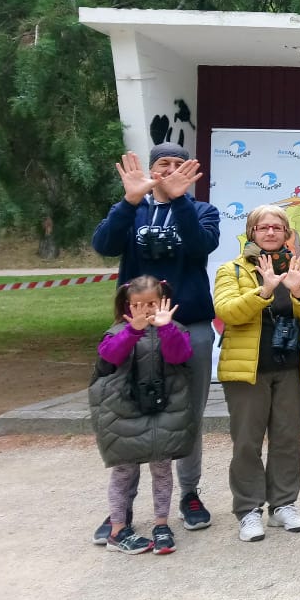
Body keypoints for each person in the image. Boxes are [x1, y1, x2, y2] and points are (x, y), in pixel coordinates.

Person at [91, 144, 220, 540]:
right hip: (135, 326)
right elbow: (104, 245)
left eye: (177, 165)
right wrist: (129, 201)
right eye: (162, 164)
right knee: (127, 410)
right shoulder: (133, 209)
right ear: (150, 170)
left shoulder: (201, 211)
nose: (169, 170)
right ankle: (121, 509)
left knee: (187, 412)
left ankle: (190, 494)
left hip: (188, 325)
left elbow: (201, 246)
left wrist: (180, 200)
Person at [215, 205, 300, 542]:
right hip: (248, 371)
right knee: (247, 443)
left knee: (286, 439)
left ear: (287, 234)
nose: (270, 232)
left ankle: (283, 505)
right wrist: (263, 290)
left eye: (277, 227)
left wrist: (297, 291)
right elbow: (227, 312)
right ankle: (249, 509)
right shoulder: (231, 271)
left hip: (290, 366)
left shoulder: (298, 268)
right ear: (252, 233)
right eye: (263, 227)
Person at [88, 276, 197, 555]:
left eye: (151, 303)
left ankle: (162, 523)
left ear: (163, 301)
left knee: (162, 468)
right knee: (123, 470)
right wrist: (133, 331)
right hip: (124, 412)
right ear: (127, 305)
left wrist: (166, 330)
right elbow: (110, 357)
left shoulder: (176, 329)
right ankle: (117, 528)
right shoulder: (117, 331)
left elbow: (179, 356)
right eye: (138, 305)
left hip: (163, 409)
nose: (145, 310)